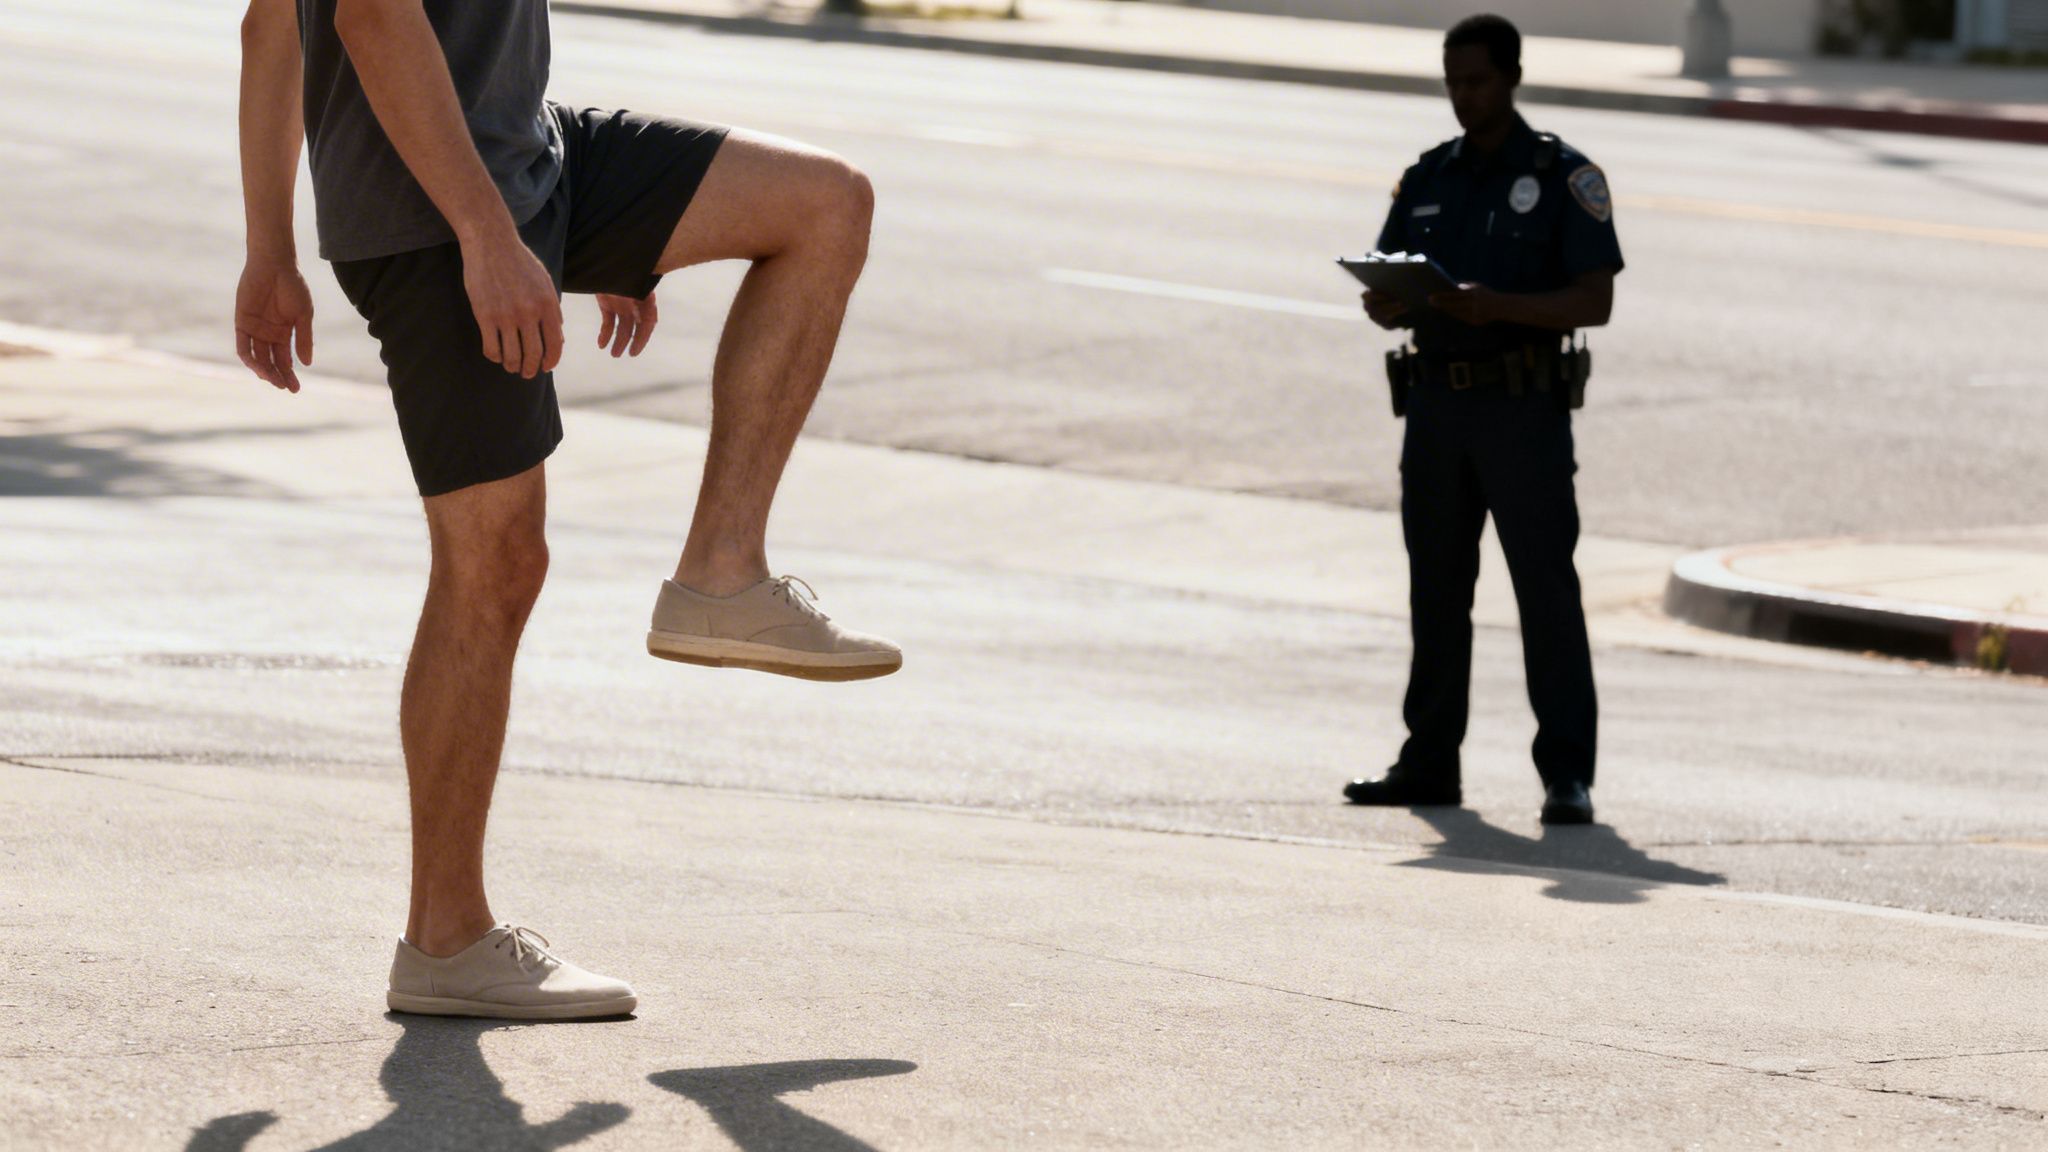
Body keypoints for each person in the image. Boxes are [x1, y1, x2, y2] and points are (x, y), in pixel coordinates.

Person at [235, 0, 901, 1019]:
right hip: (434, 217)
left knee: (823, 203)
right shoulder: (459, 223)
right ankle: (445, 940)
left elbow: (269, 22)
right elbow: (366, 14)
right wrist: (491, 240)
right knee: (492, 563)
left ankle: (722, 573)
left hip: (525, 164)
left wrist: (599, 242)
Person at [1343, 14, 1622, 826]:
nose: (1462, 97)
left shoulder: (1562, 175)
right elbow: (1394, 280)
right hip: (1435, 408)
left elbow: (1595, 300)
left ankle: (1566, 774)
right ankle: (1429, 760)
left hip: (1521, 408)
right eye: (1452, 82)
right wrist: (1387, 305)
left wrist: (1499, 306)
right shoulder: (1428, 178)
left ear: (1511, 78)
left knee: (1545, 592)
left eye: (1476, 82)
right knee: (1435, 590)